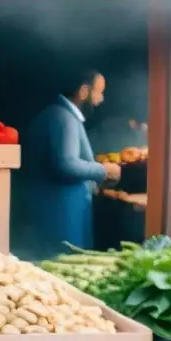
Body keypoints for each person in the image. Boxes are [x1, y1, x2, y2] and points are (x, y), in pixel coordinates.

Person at [14, 69, 121, 260]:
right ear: (83, 91)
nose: (101, 99)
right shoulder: (63, 118)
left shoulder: (57, 114)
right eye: (99, 92)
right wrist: (103, 170)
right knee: (63, 266)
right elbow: (66, 163)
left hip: (57, 212)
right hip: (61, 216)